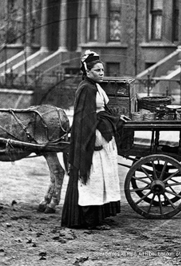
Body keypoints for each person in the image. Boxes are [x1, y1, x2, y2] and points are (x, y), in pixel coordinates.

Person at [61, 50, 127, 229]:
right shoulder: (86, 89)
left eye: (103, 70)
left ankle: (101, 215)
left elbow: (100, 111)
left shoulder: (96, 86)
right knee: (93, 178)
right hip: (92, 139)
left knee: (103, 176)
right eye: (98, 70)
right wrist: (93, 139)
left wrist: (113, 120)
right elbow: (85, 118)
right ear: (87, 71)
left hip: (101, 134)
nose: (102, 73)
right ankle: (89, 219)